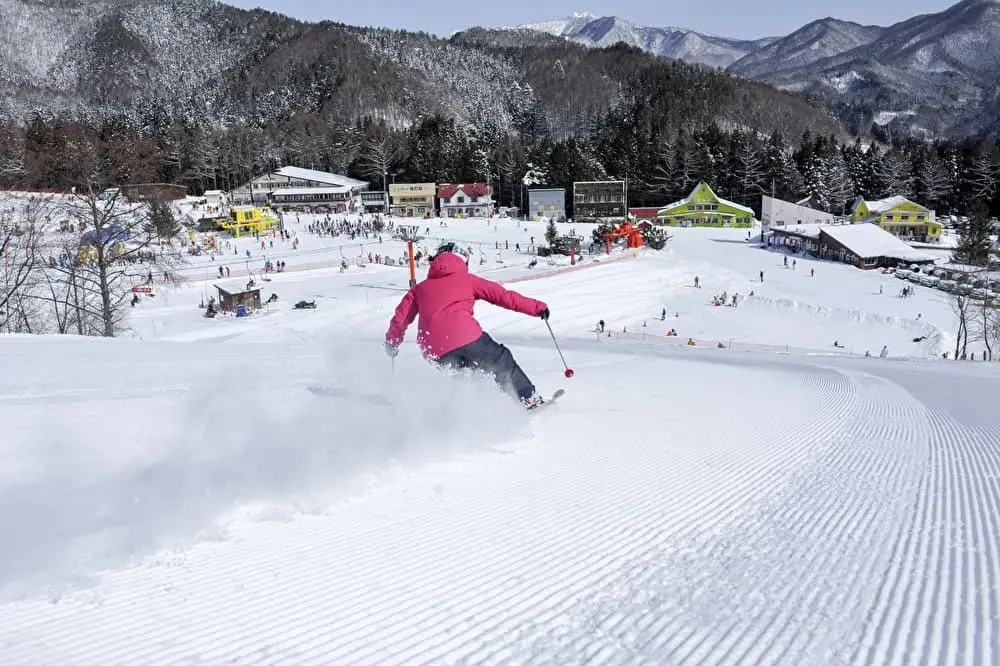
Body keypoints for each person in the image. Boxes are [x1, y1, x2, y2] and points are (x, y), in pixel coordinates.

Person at [384, 241, 550, 409]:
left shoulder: (419, 289)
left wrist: (392, 343)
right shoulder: (467, 280)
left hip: (433, 348)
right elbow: (504, 297)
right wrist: (538, 308)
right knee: (500, 360)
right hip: (466, 336)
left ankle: (467, 414)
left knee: (466, 376)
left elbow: (400, 318)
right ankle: (528, 398)